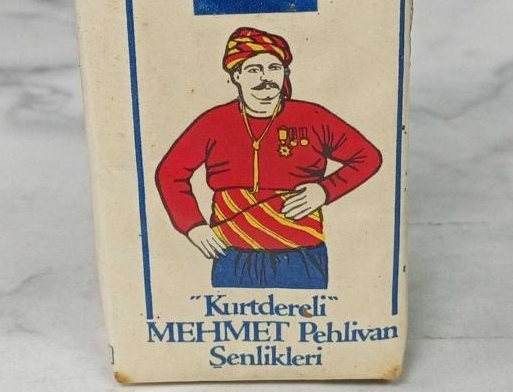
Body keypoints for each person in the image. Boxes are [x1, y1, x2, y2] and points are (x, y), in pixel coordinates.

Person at [155, 26, 382, 289]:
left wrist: (325, 190)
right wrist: (193, 226)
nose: (266, 78)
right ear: (236, 75)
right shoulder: (214, 121)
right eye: (254, 70)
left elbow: (368, 156)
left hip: (301, 254)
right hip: (233, 253)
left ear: (284, 73)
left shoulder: (313, 117)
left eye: (274, 68)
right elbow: (170, 172)